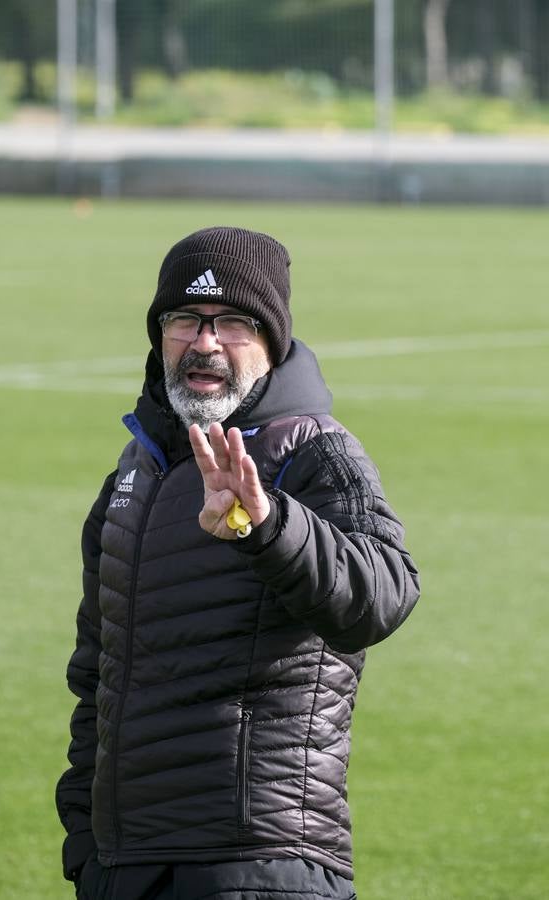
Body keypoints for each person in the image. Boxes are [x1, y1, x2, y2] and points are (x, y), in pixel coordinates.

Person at [55, 226, 420, 900]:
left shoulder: (317, 454)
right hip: (124, 865)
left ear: (272, 340)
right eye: (184, 319)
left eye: (232, 323)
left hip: (258, 863)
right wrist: (85, 842)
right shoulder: (135, 471)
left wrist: (269, 526)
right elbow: (97, 673)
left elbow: (383, 595)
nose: (204, 342)